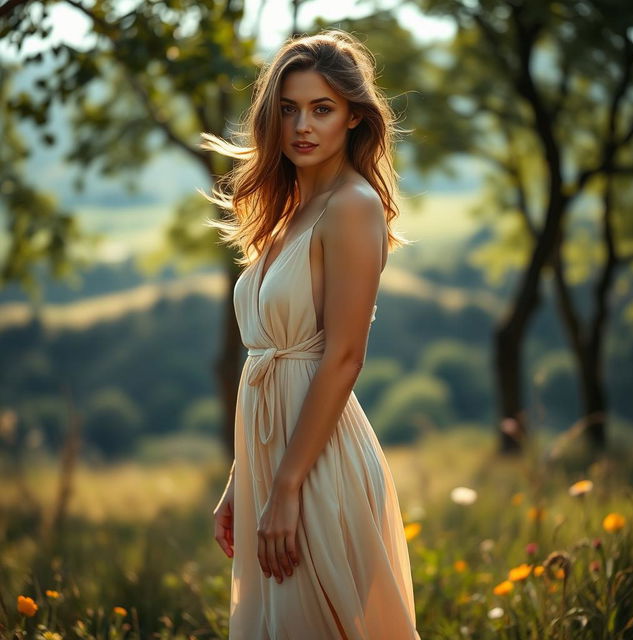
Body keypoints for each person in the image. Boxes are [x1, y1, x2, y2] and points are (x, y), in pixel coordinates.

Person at [199, 28, 421, 640]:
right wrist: (242, 483)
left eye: (322, 109)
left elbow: (344, 357)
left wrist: (287, 486)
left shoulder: (352, 205)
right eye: (289, 108)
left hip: (316, 463)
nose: (303, 125)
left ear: (354, 116)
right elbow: (267, 362)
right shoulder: (290, 209)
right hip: (273, 460)